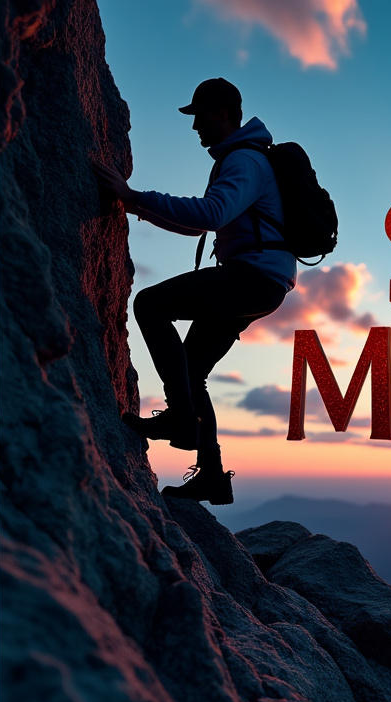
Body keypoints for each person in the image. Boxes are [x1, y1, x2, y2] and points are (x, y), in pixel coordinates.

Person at [93, 78, 295, 505]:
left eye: (199, 115)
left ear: (223, 112)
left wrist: (134, 196)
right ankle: (212, 476)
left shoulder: (244, 161)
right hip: (262, 279)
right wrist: (133, 204)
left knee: (151, 304)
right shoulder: (242, 158)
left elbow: (212, 213)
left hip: (254, 277)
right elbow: (201, 225)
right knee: (191, 368)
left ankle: (183, 421)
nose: (194, 126)